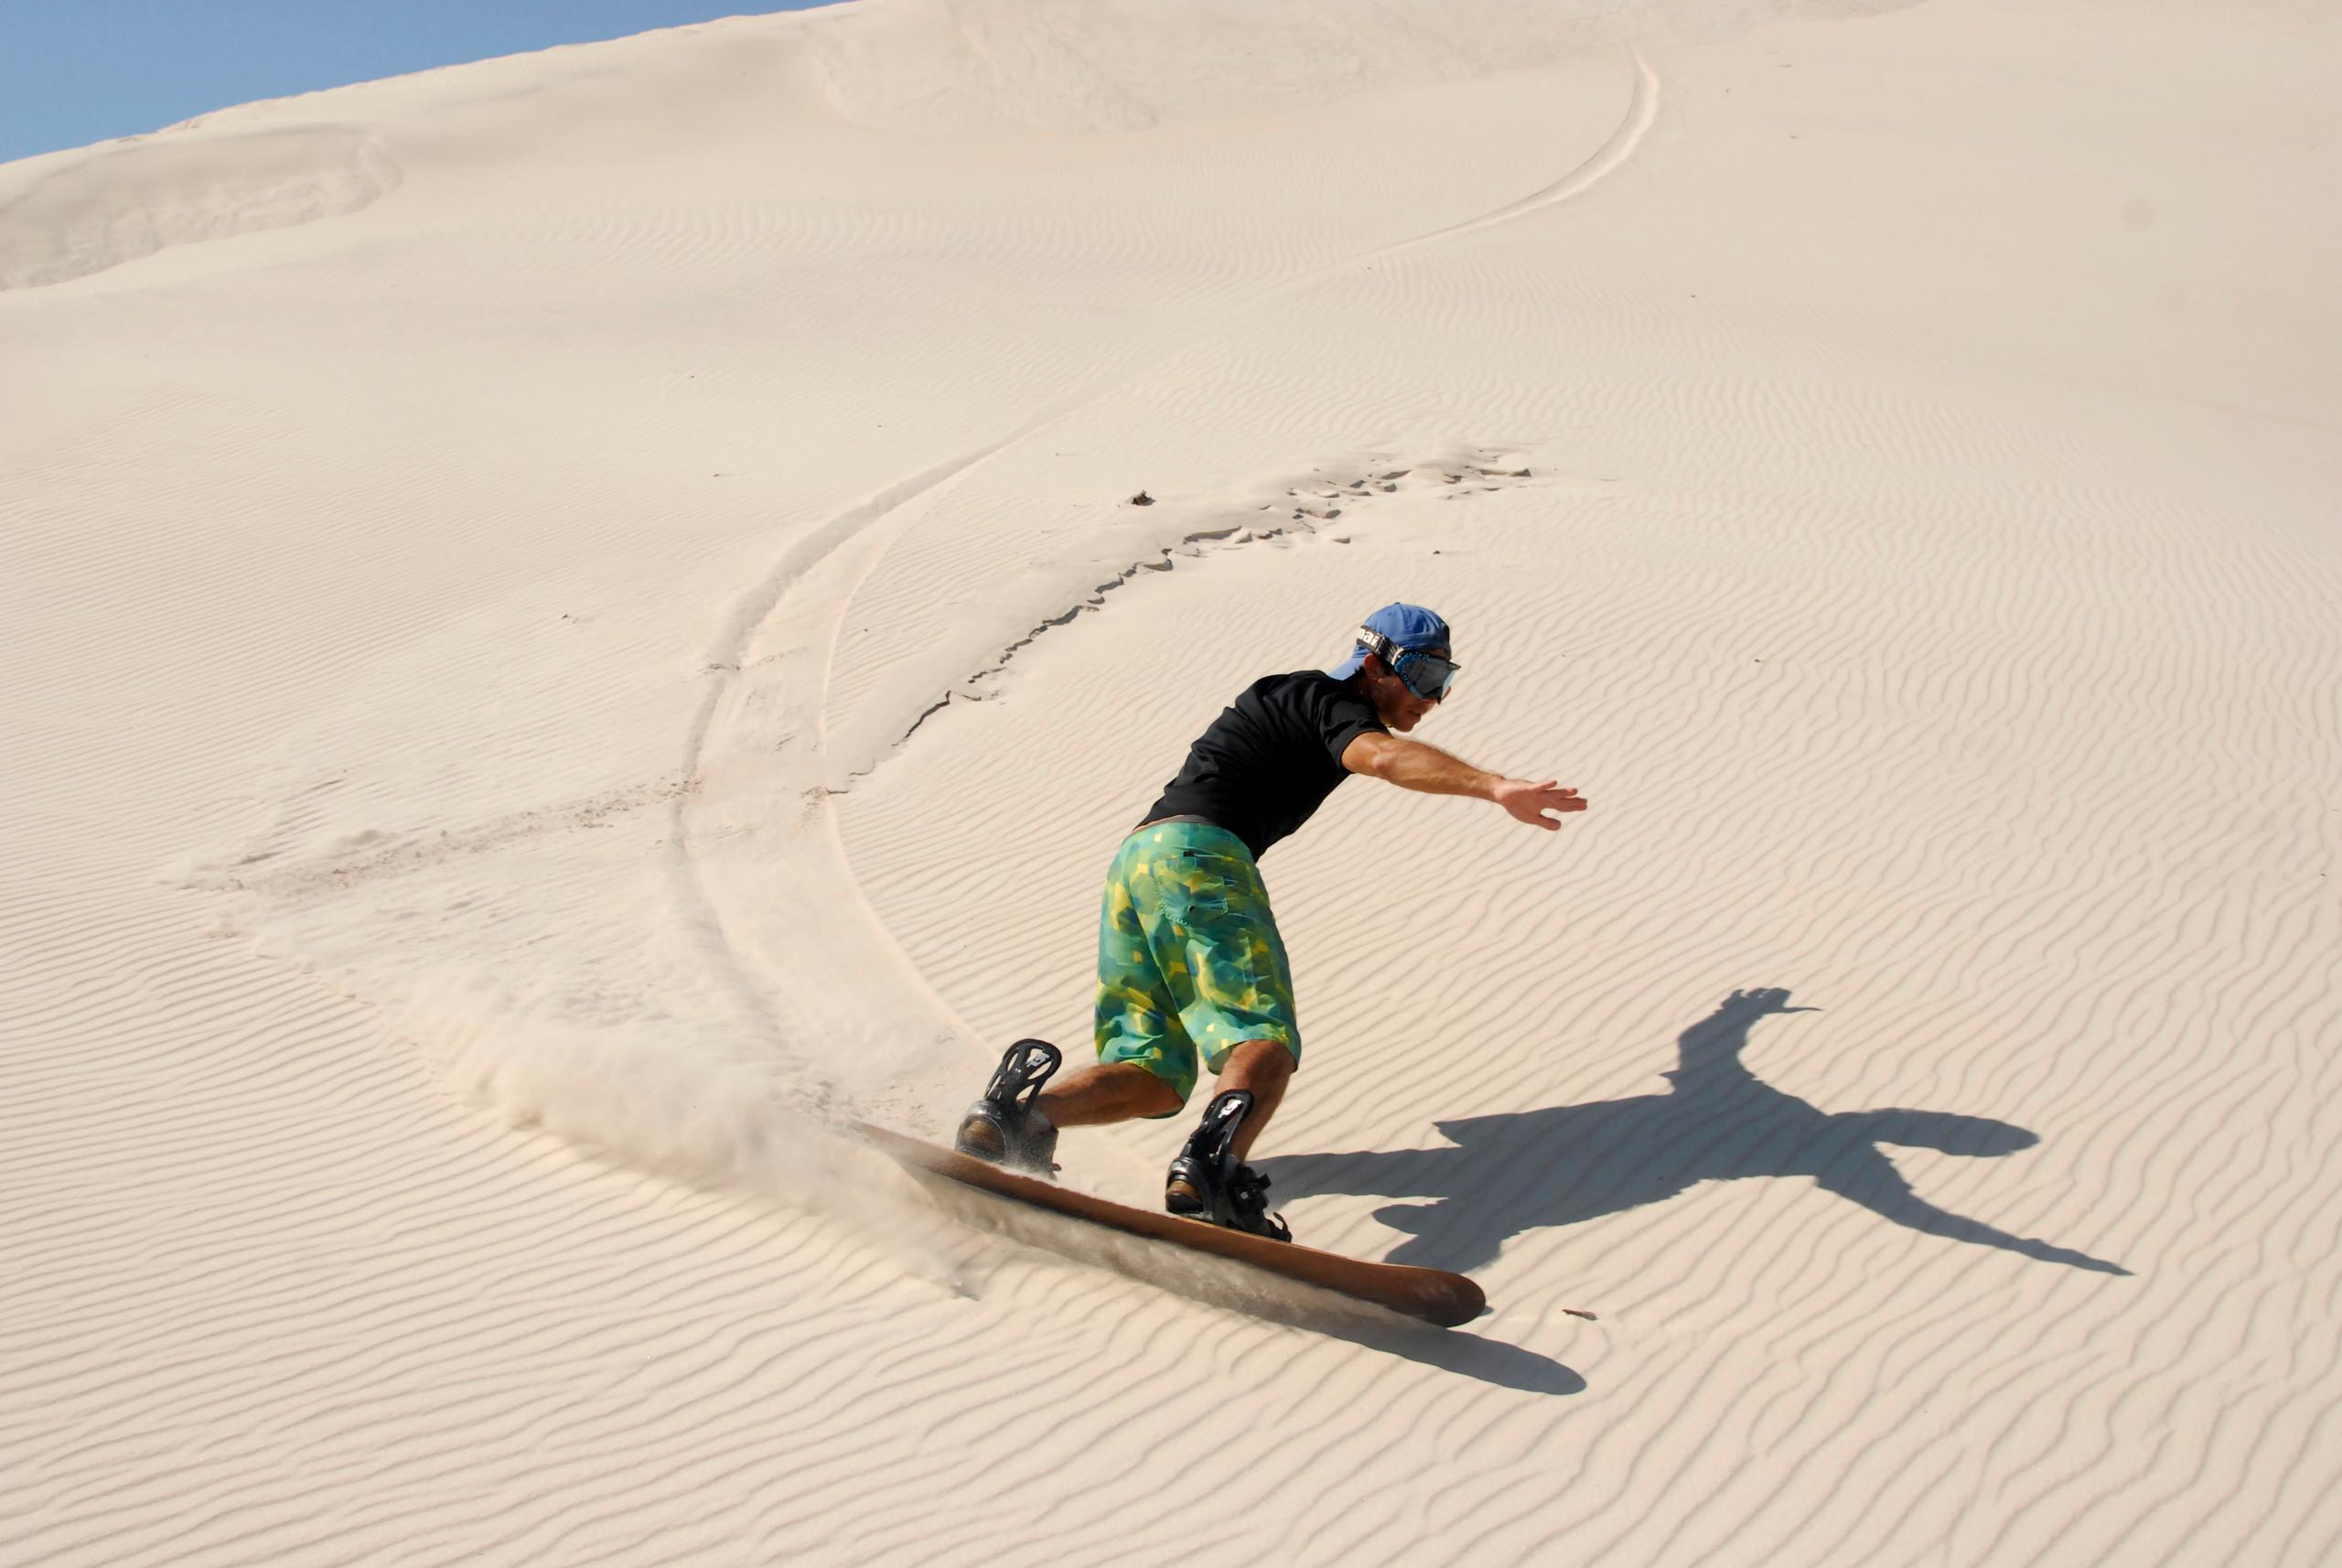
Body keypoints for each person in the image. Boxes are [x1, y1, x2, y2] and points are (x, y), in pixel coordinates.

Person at [954, 602, 1586, 1240]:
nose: (1432, 699)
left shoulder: (1286, 696)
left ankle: (1019, 1118)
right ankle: (1212, 1172)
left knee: (1154, 1076)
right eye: (1422, 677)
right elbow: (1385, 758)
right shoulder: (1329, 700)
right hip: (1202, 859)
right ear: (1373, 664)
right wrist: (1495, 786)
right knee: (1263, 1040)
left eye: (1444, 681)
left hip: (1137, 866)